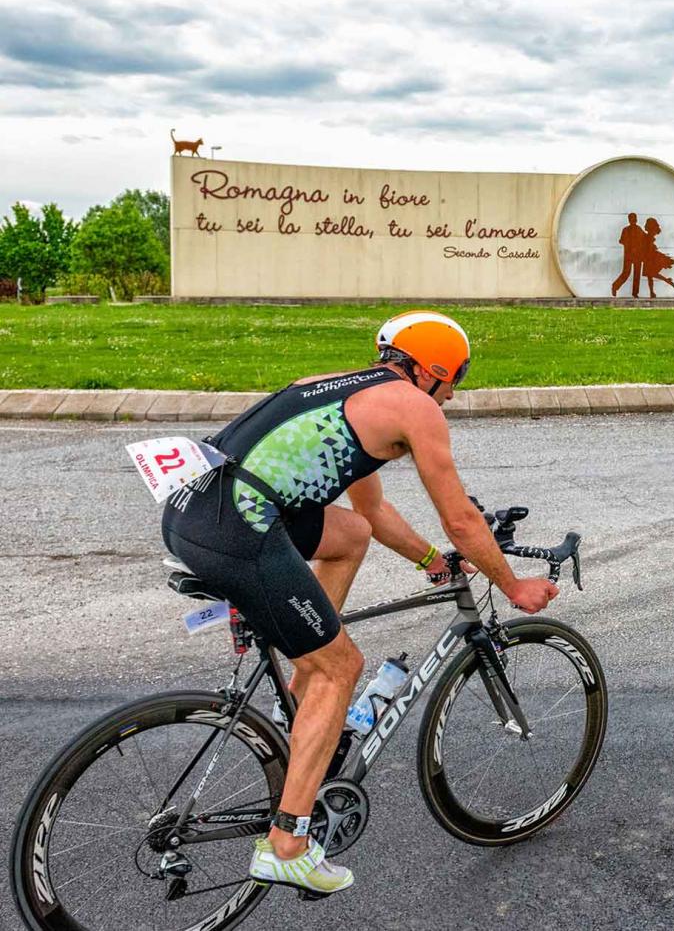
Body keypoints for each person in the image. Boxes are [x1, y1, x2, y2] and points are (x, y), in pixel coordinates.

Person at [160, 311, 558, 895]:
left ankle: (304, 683)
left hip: (198, 511)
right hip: (237, 531)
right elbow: (462, 518)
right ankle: (287, 844)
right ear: (435, 369)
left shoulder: (339, 387)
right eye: (456, 380)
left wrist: (434, 563)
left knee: (348, 535)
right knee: (342, 666)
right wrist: (514, 585)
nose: (452, 395)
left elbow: (370, 514)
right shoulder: (414, 407)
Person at [612, 212, 645, 297]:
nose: (633, 221)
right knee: (626, 273)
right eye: (632, 219)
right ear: (629, 220)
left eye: (634, 219)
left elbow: (645, 239)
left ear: (636, 220)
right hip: (629, 255)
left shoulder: (639, 229)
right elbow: (621, 240)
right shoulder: (625, 230)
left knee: (637, 274)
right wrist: (628, 244)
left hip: (638, 256)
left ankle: (635, 293)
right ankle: (615, 286)